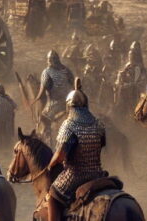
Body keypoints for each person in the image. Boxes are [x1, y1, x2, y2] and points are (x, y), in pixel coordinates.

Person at [46, 78, 107, 221]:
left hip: (75, 175)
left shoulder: (69, 125)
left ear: (69, 106)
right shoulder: (98, 123)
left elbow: (60, 156)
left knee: (53, 194)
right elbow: (102, 144)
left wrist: (50, 165)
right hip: (97, 174)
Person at [35, 50, 75, 143]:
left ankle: (48, 140)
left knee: (43, 118)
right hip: (69, 102)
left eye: (48, 60)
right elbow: (73, 84)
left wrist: (35, 99)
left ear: (50, 60)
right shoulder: (66, 70)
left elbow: (41, 92)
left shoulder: (46, 72)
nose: (47, 62)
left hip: (55, 104)